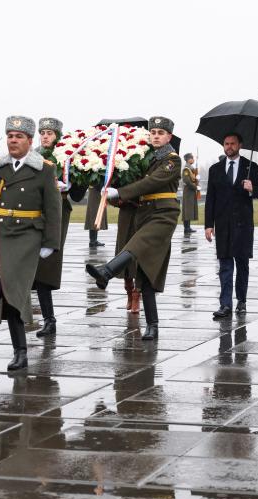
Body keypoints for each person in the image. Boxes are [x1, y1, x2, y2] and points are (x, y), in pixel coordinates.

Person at [0, 115, 62, 371]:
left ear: (30, 140)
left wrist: (51, 242)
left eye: (18, 137)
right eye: (10, 136)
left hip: (28, 234)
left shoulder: (44, 168)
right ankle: (19, 351)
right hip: (2, 231)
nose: (13, 140)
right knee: (12, 294)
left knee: (11, 281)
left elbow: (54, 207)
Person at [85, 116, 181, 340]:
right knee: (145, 274)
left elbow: (151, 183)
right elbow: (135, 188)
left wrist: (122, 192)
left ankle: (107, 272)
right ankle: (152, 326)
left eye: (160, 133)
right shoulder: (144, 159)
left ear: (169, 137)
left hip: (163, 215)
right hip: (144, 214)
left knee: (136, 245)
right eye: (153, 132)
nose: (155, 136)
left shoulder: (171, 160)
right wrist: (112, 189)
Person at [205, 132, 258, 318]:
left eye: (233, 143)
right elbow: (211, 199)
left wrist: (252, 188)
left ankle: (241, 301)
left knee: (242, 265)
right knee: (224, 266)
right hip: (223, 226)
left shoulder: (251, 167)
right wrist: (209, 225)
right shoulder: (215, 169)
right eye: (226, 143)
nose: (229, 147)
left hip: (243, 225)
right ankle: (225, 305)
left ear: (240, 145)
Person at [33, 117, 86, 336]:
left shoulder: (67, 156)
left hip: (56, 213)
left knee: (47, 263)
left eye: (50, 133)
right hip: (32, 213)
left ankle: (49, 319)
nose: (45, 136)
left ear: (58, 136)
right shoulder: (32, 155)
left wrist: (73, 182)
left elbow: (77, 195)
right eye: (42, 132)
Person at [113, 197, 140, 313]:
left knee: (140, 254)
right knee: (124, 252)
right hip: (126, 212)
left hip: (142, 211)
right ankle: (129, 291)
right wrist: (117, 200)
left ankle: (136, 294)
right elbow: (111, 190)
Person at [181, 153, 198, 235]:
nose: (193, 159)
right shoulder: (186, 169)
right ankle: (186, 228)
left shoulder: (191, 168)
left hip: (190, 191)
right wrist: (195, 186)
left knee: (189, 209)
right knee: (187, 210)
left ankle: (188, 227)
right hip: (188, 191)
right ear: (188, 159)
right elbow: (186, 181)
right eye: (192, 158)